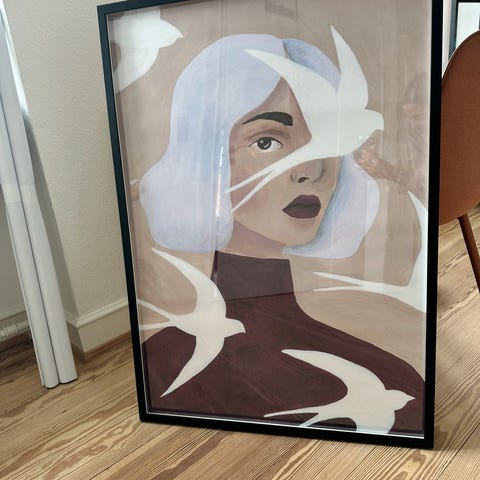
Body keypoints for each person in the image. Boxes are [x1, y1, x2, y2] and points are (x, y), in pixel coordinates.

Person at [134, 33, 425, 436]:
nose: (312, 169)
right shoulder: (165, 364)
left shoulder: (395, 379)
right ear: (207, 157)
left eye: (327, 138)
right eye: (268, 141)